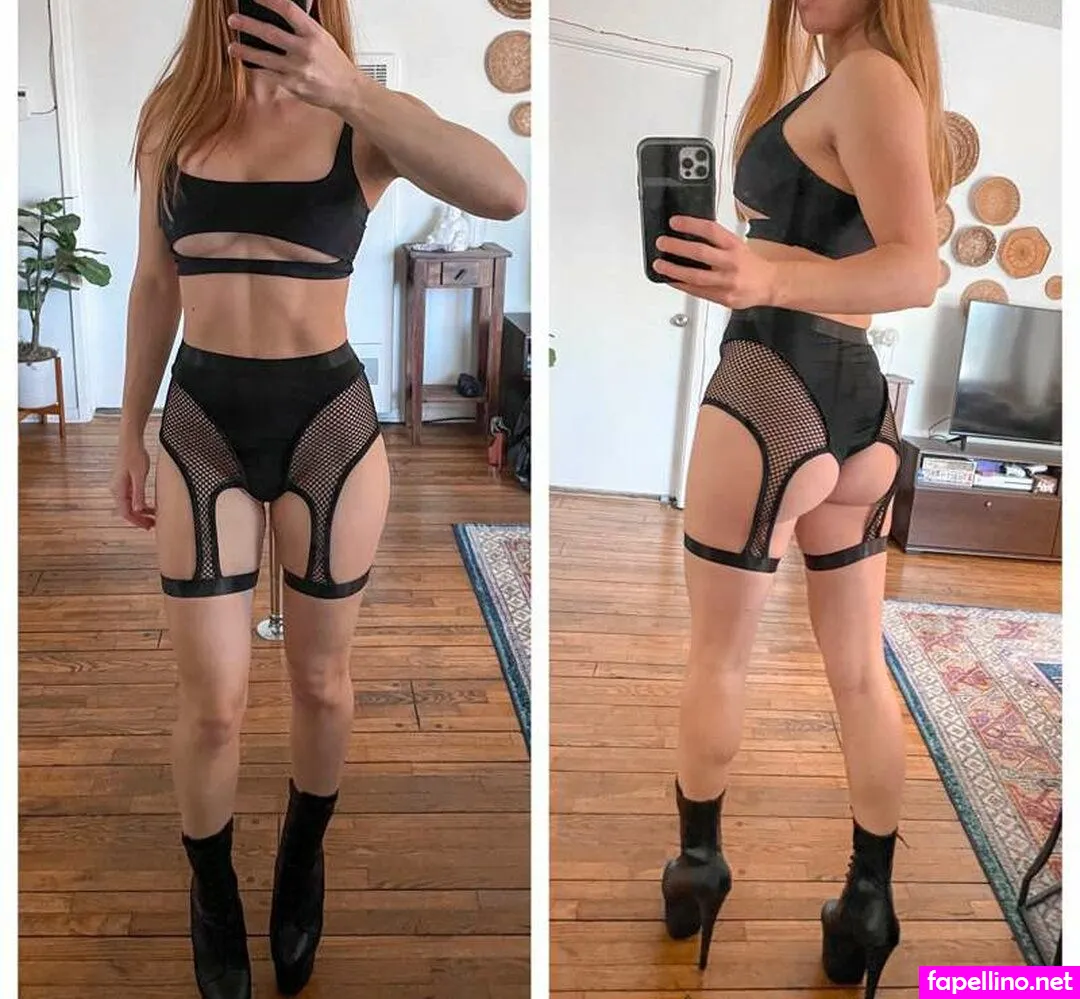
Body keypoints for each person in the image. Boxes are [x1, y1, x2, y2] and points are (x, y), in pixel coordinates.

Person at [109, 2, 526, 997]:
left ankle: (302, 859)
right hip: (202, 423)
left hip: (326, 429)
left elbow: (504, 192)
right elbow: (155, 283)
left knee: (322, 683)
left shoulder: (359, 118)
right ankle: (213, 895)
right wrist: (128, 430)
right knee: (212, 703)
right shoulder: (172, 115)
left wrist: (350, 89)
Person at [651, 1, 949, 995]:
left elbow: (916, 268)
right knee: (859, 673)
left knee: (718, 656)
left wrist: (766, 280)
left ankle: (698, 868)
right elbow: (855, 267)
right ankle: (869, 902)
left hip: (770, 392)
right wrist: (753, 265)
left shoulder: (867, 79)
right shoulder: (856, 86)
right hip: (856, 407)